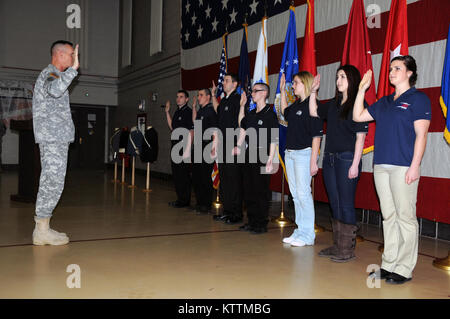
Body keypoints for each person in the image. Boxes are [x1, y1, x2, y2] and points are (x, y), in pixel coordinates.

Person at [353, 55, 431, 284]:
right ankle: (389, 264)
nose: (391, 72)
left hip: (403, 166)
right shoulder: (384, 101)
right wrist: (361, 90)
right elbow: (358, 116)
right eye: (390, 68)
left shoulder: (418, 99)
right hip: (382, 166)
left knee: (405, 217)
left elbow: (422, 135)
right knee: (388, 216)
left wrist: (415, 166)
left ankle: (404, 268)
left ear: (409, 73)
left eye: (397, 68)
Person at [309, 65, 368, 262]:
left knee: (346, 203)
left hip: (347, 158)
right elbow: (313, 112)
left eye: (343, 76)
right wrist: (313, 91)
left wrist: (355, 163)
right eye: (337, 77)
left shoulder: (358, 103)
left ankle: (347, 250)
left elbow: (361, 137)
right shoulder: (333, 104)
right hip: (330, 158)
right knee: (334, 203)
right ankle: (338, 245)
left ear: (352, 79)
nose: (338, 80)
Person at [32, 40, 79, 245]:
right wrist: (73, 70)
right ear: (59, 55)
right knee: (51, 182)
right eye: (71, 54)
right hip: (52, 138)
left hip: (56, 138)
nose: (73, 58)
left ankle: (44, 227)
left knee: (55, 182)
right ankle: (41, 231)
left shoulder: (55, 75)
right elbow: (54, 90)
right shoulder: (50, 73)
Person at [280, 71, 323, 247]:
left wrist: (313, 160)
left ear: (305, 84)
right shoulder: (297, 105)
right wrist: (282, 91)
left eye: (296, 82)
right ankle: (300, 230)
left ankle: (308, 234)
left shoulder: (312, 106)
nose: (293, 85)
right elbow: (284, 112)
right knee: (296, 194)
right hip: (290, 154)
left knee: (304, 194)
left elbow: (316, 136)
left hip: (304, 154)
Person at [233, 83, 278, 234]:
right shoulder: (251, 113)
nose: (252, 93)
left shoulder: (269, 114)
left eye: (255, 91)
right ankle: (252, 221)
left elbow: (273, 138)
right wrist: (241, 106)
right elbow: (242, 126)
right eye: (252, 91)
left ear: (264, 93)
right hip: (249, 154)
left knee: (260, 190)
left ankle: (261, 223)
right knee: (249, 189)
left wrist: (271, 158)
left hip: (262, 154)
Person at [211, 73, 244, 224]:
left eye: (227, 81)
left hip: (233, 144)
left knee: (233, 179)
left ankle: (236, 214)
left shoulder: (238, 100)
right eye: (223, 80)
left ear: (235, 84)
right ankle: (227, 210)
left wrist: (238, 144)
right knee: (224, 179)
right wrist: (215, 144)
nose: (223, 83)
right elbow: (219, 117)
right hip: (222, 144)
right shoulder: (223, 101)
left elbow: (241, 123)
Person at [165, 90, 194, 208]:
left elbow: (191, 132)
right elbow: (172, 127)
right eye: (177, 97)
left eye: (181, 97)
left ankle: (185, 200)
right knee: (176, 174)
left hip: (183, 147)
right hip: (175, 146)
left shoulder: (188, 112)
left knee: (184, 175)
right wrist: (167, 113)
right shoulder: (177, 112)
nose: (178, 99)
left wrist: (187, 150)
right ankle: (180, 199)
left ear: (186, 99)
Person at [191, 88, 218, 214]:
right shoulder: (201, 111)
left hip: (206, 147)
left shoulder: (211, 111)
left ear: (208, 97)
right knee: (197, 176)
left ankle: (206, 204)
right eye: (198, 94)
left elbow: (214, 130)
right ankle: (199, 202)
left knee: (205, 177)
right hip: (197, 147)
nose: (198, 97)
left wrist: (213, 147)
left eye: (201, 95)